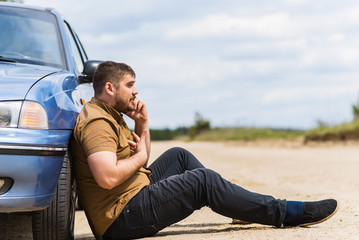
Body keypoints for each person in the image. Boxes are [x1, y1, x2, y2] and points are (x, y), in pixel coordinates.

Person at [70, 61, 338, 240]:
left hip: (131, 194)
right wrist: (139, 156)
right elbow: (107, 176)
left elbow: (142, 158)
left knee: (179, 155)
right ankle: (283, 213)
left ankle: (239, 206)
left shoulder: (111, 113)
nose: (136, 91)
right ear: (109, 88)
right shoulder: (97, 122)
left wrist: (143, 125)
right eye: (129, 85)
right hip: (119, 217)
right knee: (203, 181)